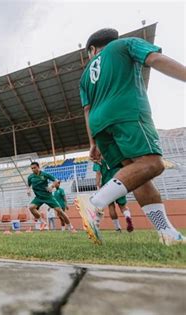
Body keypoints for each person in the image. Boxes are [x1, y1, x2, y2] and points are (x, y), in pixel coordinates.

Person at [78, 28, 185, 245]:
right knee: (153, 165)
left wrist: (92, 143)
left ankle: (167, 232)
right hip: (126, 113)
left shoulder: (85, 74)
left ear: (92, 49)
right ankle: (95, 202)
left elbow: (86, 109)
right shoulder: (124, 44)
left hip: (100, 126)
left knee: (137, 176)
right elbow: (154, 58)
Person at [27, 162, 76, 232]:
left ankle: (70, 227)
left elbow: (56, 180)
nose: (33, 169)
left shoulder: (45, 174)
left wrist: (51, 186)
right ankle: (43, 222)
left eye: (34, 168)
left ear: (38, 167)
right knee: (31, 207)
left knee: (60, 211)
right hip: (38, 197)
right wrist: (28, 190)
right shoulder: (30, 177)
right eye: (32, 168)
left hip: (48, 197)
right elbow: (28, 186)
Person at [94, 158, 134, 232]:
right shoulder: (113, 154)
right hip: (118, 181)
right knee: (123, 206)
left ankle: (117, 228)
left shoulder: (98, 160)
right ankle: (127, 217)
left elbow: (98, 173)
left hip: (107, 184)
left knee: (111, 207)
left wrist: (97, 185)